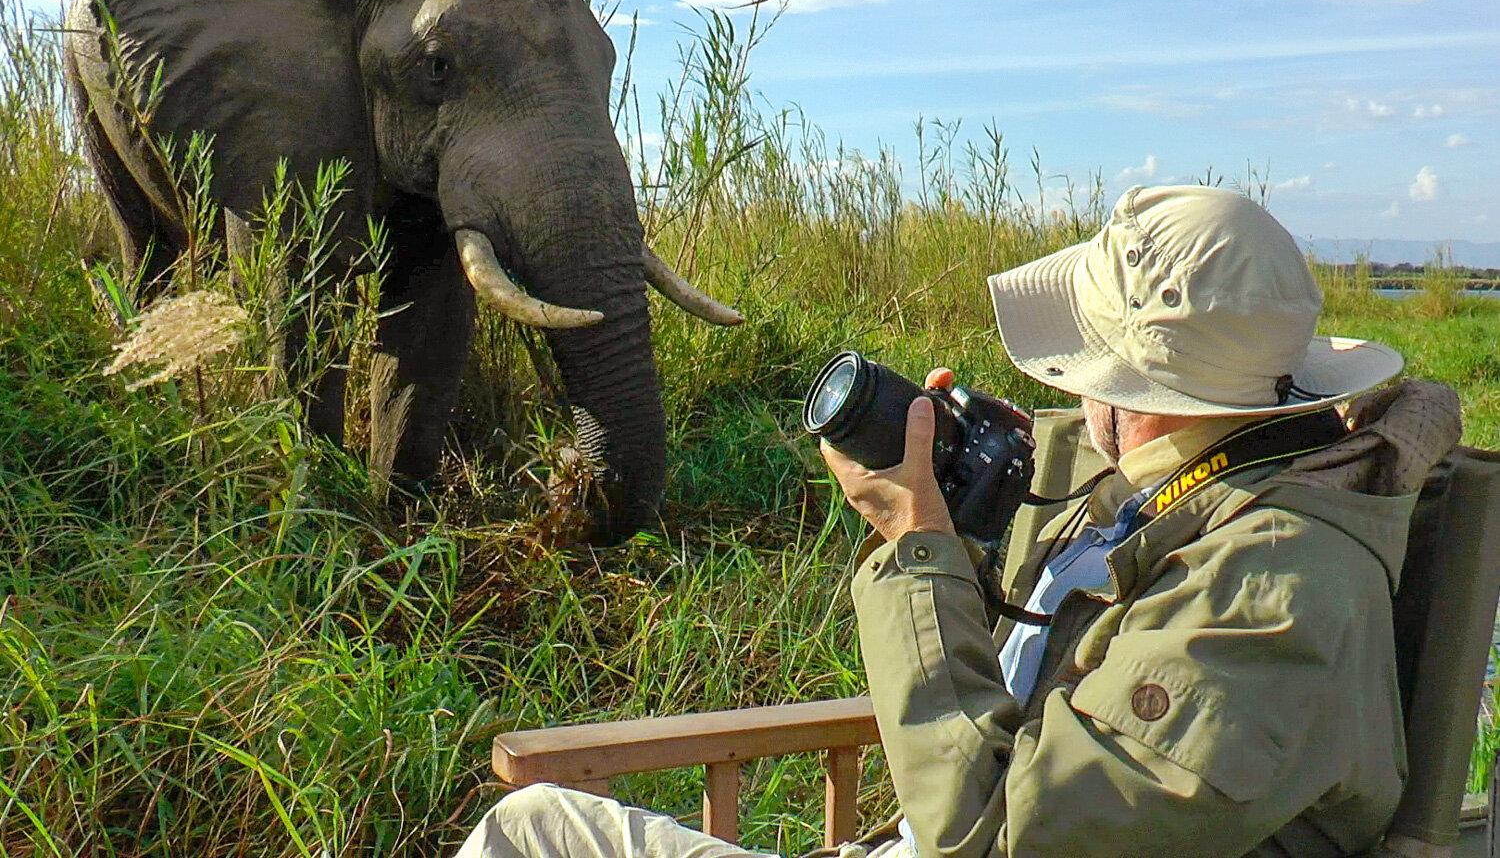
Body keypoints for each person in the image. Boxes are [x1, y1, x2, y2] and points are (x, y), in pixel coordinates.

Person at [454, 185, 1461, 858]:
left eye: (1086, 362)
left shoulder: (1275, 592)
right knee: (537, 823)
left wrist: (916, 544)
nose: (1069, 386)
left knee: (529, 837)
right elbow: (1049, 686)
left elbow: (998, 838)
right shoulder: (1193, 494)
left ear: (1138, 390)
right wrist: (979, 512)